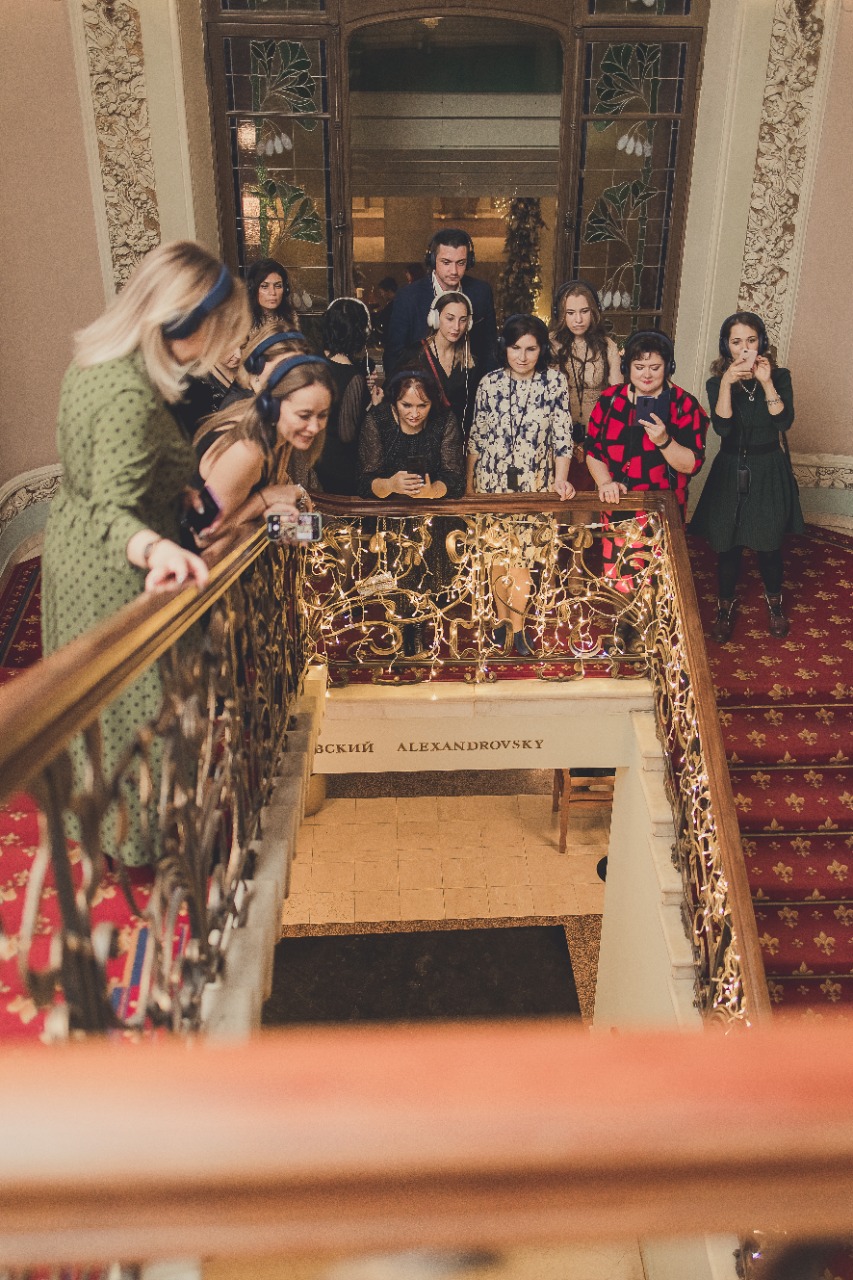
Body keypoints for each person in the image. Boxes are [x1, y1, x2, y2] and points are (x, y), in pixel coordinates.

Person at [41, 240, 250, 865]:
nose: (220, 349)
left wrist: (172, 488)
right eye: (219, 331)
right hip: (115, 572)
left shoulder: (101, 363)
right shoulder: (129, 395)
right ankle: (147, 846)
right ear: (185, 322)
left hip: (74, 552)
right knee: (141, 711)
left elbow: (101, 470)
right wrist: (159, 546)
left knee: (100, 716)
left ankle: (115, 834)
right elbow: (112, 510)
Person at [585, 330, 708, 649]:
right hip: (620, 502)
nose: (647, 374)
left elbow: (692, 464)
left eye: (655, 367)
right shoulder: (610, 401)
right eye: (639, 367)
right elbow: (593, 451)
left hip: (662, 505)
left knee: (657, 572)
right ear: (628, 367)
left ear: (669, 366)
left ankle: (651, 632)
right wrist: (604, 482)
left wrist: (664, 441)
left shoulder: (684, 405)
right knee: (620, 570)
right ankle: (624, 624)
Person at [690, 311, 804, 641]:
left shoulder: (780, 376)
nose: (744, 348)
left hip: (768, 466)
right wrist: (727, 383)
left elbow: (783, 422)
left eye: (751, 340)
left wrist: (766, 382)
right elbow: (723, 428)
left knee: (768, 544)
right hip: (730, 468)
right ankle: (724, 609)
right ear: (726, 346)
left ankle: (775, 606)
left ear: (761, 343)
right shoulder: (717, 382)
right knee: (728, 545)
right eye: (736, 341)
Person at [467, 314, 576, 657]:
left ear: (542, 349)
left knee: (522, 561)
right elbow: (477, 436)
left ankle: (518, 628)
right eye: (516, 348)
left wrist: (560, 479)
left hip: (534, 485)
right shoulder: (489, 383)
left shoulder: (554, 382)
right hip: (491, 484)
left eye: (531, 349)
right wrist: (469, 485)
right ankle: (502, 622)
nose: (523, 356)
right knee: (497, 559)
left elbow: (562, 437)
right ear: (505, 348)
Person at [194, 353, 336, 547]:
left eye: (322, 415)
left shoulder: (283, 437)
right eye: (304, 415)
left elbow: (271, 521)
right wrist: (264, 499)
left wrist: (301, 524)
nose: (314, 427)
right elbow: (201, 536)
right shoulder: (246, 452)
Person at [385, 229, 497, 372]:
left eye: (461, 263)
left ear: (469, 262)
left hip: (470, 383)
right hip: (420, 383)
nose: (454, 271)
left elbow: (490, 350)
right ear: (432, 260)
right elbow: (394, 356)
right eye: (446, 262)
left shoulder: (482, 292)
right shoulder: (408, 296)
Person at [550, 280, 621, 491]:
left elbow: (618, 394)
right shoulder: (549, 344)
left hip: (598, 436)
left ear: (594, 312)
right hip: (557, 437)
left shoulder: (608, 346)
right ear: (561, 314)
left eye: (584, 311)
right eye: (570, 313)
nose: (578, 320)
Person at [358, 368, 464, 502]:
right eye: (406, 405)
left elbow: (456, 480)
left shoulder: (443, 419)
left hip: (433, 506)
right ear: (394, 402)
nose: (414, 414)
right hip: (388, 508)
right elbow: (364, 483)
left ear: (432, 402)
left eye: (423, 405)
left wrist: (432, 491)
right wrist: (390, 485)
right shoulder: (378, 419)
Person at [314, 298, 381, 496]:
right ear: (361, 333)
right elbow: (348, 435)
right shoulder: (353, 377)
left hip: (314, 456)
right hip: (338, 469)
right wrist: (373, 405)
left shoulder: (314, 359)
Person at [395, 290, 481, 441]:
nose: (456, 327)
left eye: (463, 320)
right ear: (435, 318)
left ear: (469, 323)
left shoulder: (471, 363)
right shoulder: (414, 354)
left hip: (454, 443)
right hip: (418, 441)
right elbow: (395, 401)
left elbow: (472, 413)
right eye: (450, 318)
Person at [245, 257, 299, 332]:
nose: (273, 292)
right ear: (252, 288)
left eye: (278, 286)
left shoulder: (290, 317)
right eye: (264, 286)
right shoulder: (242, 321)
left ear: (285, 289)